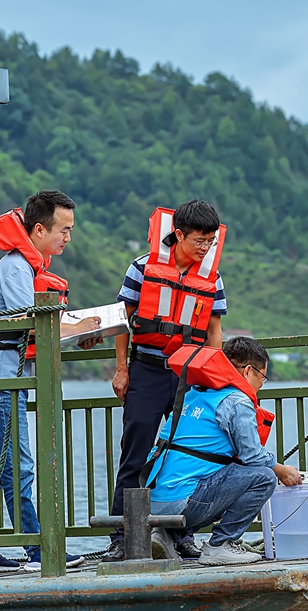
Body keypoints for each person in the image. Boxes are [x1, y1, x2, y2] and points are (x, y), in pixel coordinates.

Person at [0, 190, 103, 573]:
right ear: (39, 229)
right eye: (64, 230)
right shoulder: (16, 268)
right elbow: (37, 320)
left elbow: (47, 324)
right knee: (19, 466)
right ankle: (36, 550)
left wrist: (81, 331)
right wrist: (82, 326)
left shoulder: (27, 267)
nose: (67, 238)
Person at [104, 200, 228, 562]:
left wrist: (210, 376)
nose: (205, 248)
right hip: (146, 370)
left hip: (188, 377)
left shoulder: (212, 278)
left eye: (210, 241)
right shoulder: (142, 268)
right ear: (178, 235)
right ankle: (120, 536)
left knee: (183, 455)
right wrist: (122, 369)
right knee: (136, 453)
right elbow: (122, 322)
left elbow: (215, 331)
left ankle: (181, 533)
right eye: (199, 241)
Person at [145, 337, 302, 566]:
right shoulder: (237, 401)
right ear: (249, 371)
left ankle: (165, 534)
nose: (260, 384)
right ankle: (220, 545)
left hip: (154, 502)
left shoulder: (192, 394)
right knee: (264, 477)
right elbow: (253, 456)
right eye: (263, 377)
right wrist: (282, 470)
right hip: (184, 503)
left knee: (208, 472)